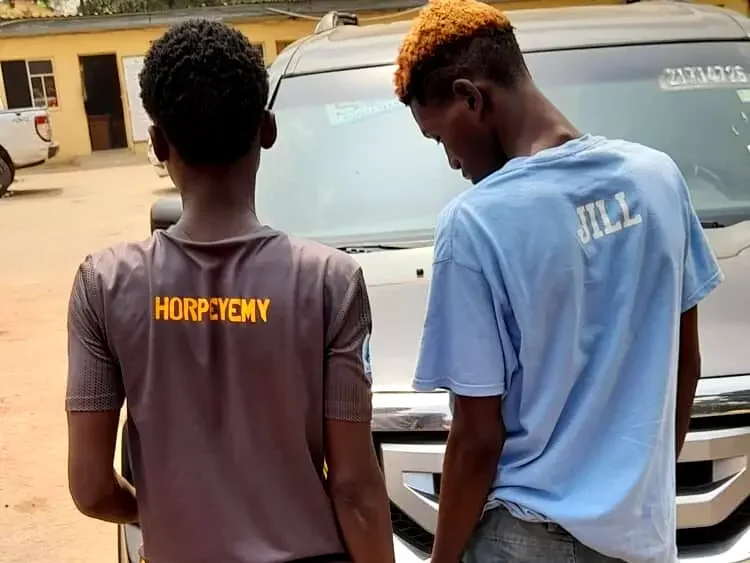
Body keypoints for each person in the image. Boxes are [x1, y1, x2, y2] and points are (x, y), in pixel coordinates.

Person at [395, 1, 723, 562]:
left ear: (471, 97)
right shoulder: (658, 180)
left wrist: (442, 559)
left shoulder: (475, 223)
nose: (450, 160)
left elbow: (477, 436)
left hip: (523, 538)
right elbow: (685, 364)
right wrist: (636, 497)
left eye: (439, 137)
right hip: (641, 538)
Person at [65, 19, 394, 563]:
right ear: (267, 130)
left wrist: (169, 515)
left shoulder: (104, 285)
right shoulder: (330, 282)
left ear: (157, 142)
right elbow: (355, 488)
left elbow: (92, 489)